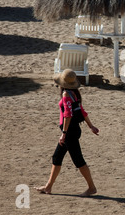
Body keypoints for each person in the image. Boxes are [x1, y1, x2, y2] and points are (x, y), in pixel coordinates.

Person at [35, 69, 100, 197]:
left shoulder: (66, 94)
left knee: (78, 160)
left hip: (70, 132)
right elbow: (82, 111)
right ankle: (48, 187)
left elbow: (68, 115)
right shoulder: (75, 93)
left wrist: (64, 133)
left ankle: (92, 188)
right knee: (57, 157)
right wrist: (91, 126)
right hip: (74, 130)